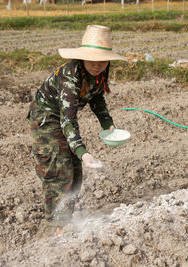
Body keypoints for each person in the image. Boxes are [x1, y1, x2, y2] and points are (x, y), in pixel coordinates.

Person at [27, 25, 127, 232]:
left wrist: (108, 125)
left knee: (75, 171)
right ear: (82, 57)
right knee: (59, 167)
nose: (97, 65)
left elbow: (97, 98)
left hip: (63, 117)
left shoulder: (99, 73)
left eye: (102, 60)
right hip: (47, 116)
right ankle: (56, 227)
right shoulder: (70, 77)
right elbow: (68, 120)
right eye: (92, 59)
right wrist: (83, 153)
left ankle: (66, 219)